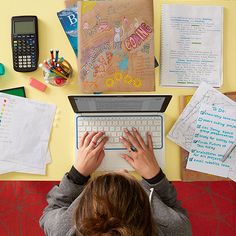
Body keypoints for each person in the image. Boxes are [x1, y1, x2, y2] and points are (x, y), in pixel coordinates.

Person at [40, 128, 192, 236]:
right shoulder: (175, 229)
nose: (122, 171)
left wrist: (77, 175)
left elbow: (52, 210)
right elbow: (173, 208)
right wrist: (155, 177)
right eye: (128, 177)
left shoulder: (61, 230)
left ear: (83, 206)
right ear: (147, 206)